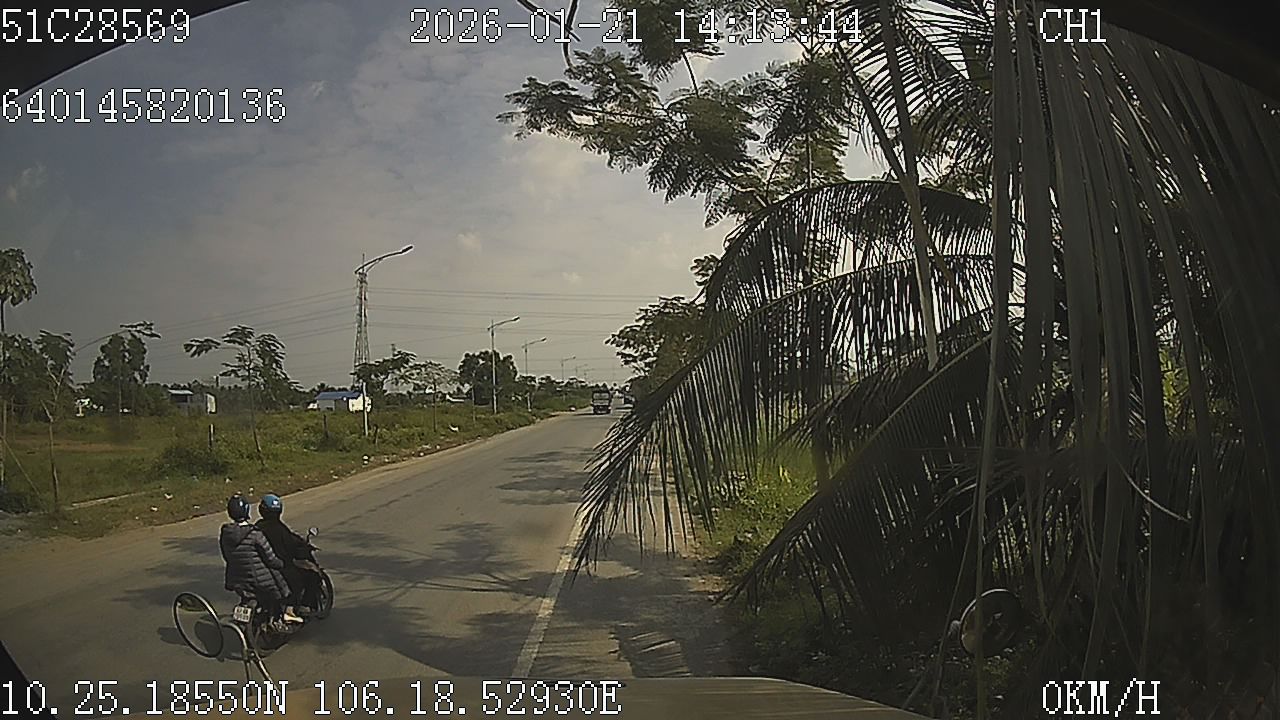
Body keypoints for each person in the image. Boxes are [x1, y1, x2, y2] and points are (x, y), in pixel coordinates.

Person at [220, 494, 303, 624]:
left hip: (236, 578)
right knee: (287, 583)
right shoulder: (255, 534)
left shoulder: (225, 534)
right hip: (259, 580)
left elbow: (226, 556)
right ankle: (287, 612)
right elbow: (271, 559)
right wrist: (282, 563)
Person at [255, 493, 312, 614]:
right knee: (304, 578)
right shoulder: (280, 529)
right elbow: (291, 545)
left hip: (262, 568)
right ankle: (292, 609)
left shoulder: (258, 527)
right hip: (280, 568)